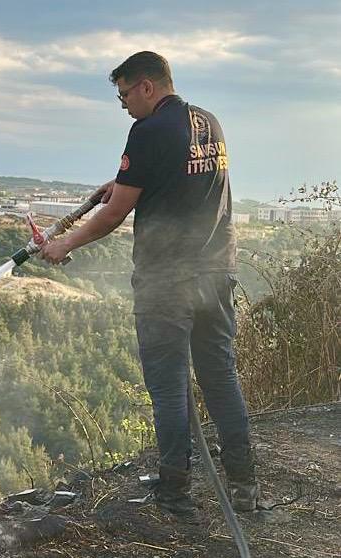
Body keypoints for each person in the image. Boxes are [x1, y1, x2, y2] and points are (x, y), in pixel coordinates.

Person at [41, 51, 259, 519]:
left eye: (124, 95)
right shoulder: (208, 122)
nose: (123, 106)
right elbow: (174, 180)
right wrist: (122, 181)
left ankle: (176, 495)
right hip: (217, 272)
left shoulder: (148, 130)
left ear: (147, 86)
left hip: (167, 281)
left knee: (169, 387)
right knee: (220, 378)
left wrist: (64, 245)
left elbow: (115, 215)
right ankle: (245, 487)